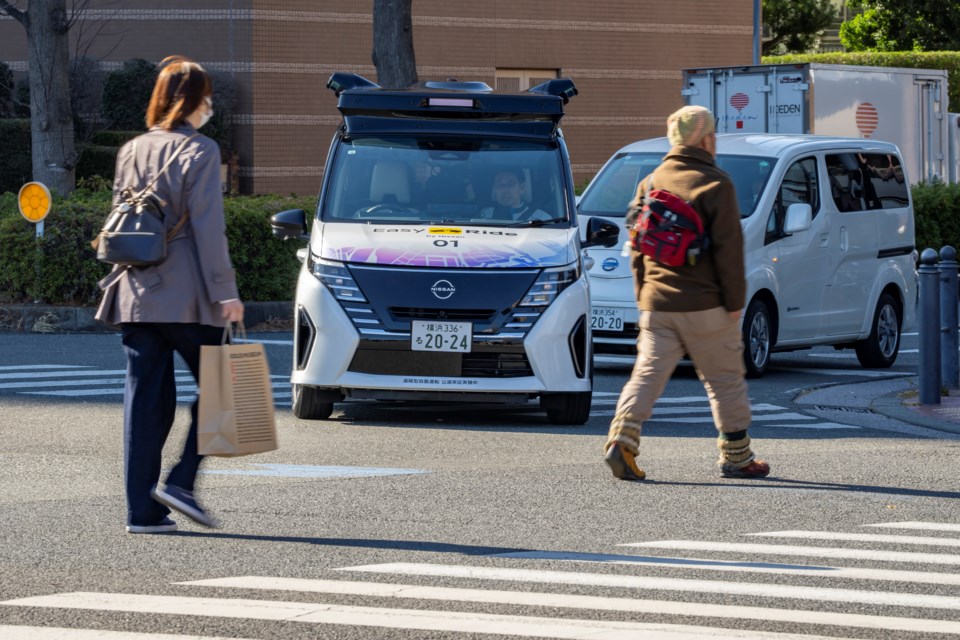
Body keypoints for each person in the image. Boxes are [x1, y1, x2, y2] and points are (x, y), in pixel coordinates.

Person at [95, 55, 245, 533]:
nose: (211, 104)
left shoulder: (131, 149)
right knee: (227, 386)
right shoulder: (200, 151)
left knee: (144, 402)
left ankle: (142, 511)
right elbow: (207, 228)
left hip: (136, 292)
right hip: (186, 296)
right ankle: (181, 480)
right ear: (194, 100)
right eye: (207, 96)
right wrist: (227, 293)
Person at [603, 105, 770, 481]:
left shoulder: (651, 181)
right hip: (706, 304)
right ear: (707, 138)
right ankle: (737, 456)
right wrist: (734, 303)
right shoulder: (717, 183)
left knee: (646, 375)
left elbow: (637, 244)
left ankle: (622, 441)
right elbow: (729, 251)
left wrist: (643, 294)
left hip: (657, 303)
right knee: (724, 380)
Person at [482, 168, 550, 221]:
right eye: (499, 185)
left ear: (522, 188)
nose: (505, 190)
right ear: (494, 189)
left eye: (511, 184)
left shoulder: (542, 219)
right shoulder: (483, 217)